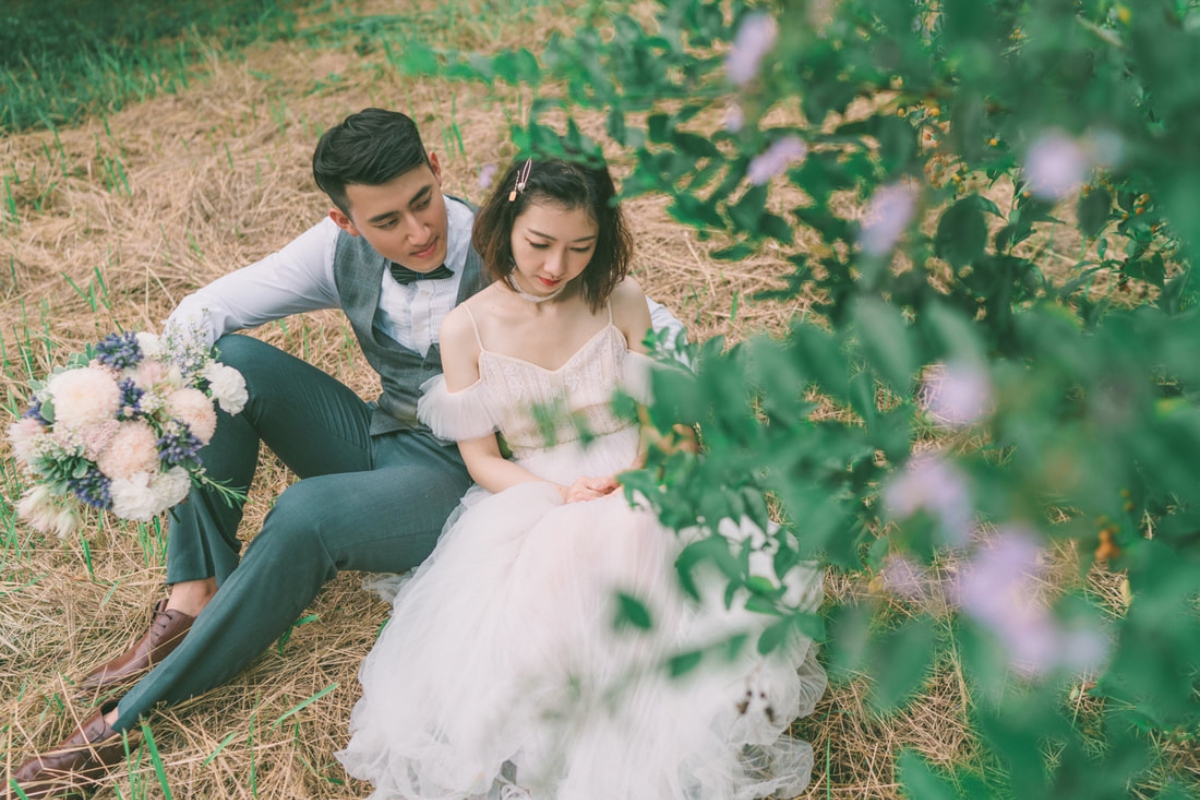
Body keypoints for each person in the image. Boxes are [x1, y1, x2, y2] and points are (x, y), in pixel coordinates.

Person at [2, 110, 685, 800]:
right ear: (345, 220)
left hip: (461, 476)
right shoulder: (335, 251)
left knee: (306, 515)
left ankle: (126, 719)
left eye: (422, 202)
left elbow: (638, 327)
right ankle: (196, 589)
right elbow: (202, 315)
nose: (416, 232)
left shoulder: (517, 243)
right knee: (220, 361)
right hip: (379, 436)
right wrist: (133, 406)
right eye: (386, 221)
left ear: (438, 170)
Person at [336, 156, 826, 799]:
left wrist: (643, 472)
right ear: (505, 225)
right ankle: (562, 732)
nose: (555, 267)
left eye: (580, 248)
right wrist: (558, 495)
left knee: (634, 532)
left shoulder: (620, 298)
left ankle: (638, 724)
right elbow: (482, 458)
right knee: (561, 564)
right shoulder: (467, 328)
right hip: (536, 486)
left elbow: (664, 421)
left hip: (639, 465)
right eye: (539, 243)